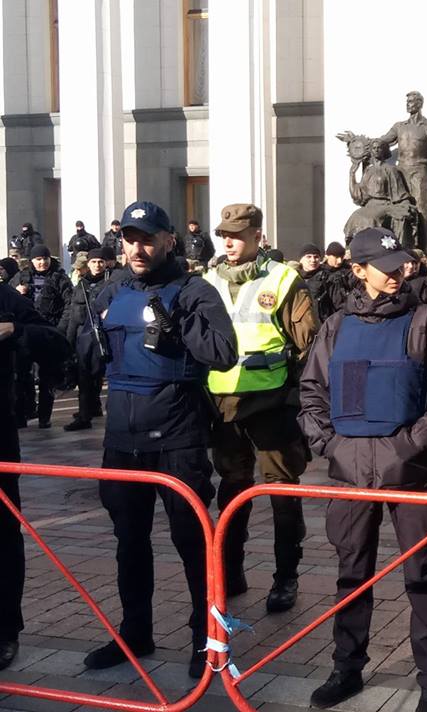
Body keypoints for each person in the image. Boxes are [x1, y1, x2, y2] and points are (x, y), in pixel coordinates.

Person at [298, 226, 427, 712]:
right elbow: (312, 393)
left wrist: (409, 446)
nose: (398, 273)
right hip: (350, 471)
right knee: (351, 573)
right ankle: (346, 667)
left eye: (401, 264)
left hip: (411, 472)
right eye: (386, 266)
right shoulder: (336, 326)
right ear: (358, 270)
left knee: (422, 574)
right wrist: (331, 446)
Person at [78, 201, 237, 679]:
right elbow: (85, 360)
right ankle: (136, 632)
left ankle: (205, 639)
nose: (138, 248)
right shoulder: (112, 290)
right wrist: (85, 336)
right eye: (130, 239)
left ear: (169, 240)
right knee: (129, 541)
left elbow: (224, 353)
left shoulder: (194, 291)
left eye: (147, 239)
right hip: (123, 440)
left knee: (191, 542)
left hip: (177, 439)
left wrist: (179, 325)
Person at [205, 204, 319, 612]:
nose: (229, 242)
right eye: (224, 235)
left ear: (258, 236)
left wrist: (296, 398)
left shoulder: (284, 279)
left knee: (282, 491)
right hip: (224, 404)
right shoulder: (207, 280)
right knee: (232, 490)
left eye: (237, 235)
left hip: (272, 402)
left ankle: (286, 577)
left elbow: (308, 345)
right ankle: (231, 572)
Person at [0, 282, 70, 671]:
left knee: (2, 537)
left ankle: (4, 630)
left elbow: (55, 341)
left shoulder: (4, 297)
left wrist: (15, 330)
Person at [378, 92, 427, 255]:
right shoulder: (399, 126)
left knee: (423, 212)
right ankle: (397, 249)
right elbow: (381, 141)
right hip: (400, 172)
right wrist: (357, 143)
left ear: (419, 104)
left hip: (419, 171)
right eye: (407, 101)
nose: (408, 104)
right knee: (398, 209)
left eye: (411, 101)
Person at [9, 246, 72, 428]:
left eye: (45, 258)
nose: (42, 262)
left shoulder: (59, 278)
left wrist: (60, 330)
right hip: (25, 334)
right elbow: (7, 298)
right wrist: (17, 291)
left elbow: (69, 305)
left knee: (47, 378)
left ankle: (45, 417)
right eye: (38, 259)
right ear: (32, 261)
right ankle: (22, 414)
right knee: (21, 376)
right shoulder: (21, 277)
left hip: (49, 334)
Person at [60, 248, 112, 430]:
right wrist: (68, 339)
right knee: (83, 375)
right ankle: (85, 413)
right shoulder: (81, 284)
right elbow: (73, 314)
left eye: (100, 262)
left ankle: (90, 409)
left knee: (96, 374)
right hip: (82, 334)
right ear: (88, 264)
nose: (97, 265)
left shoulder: (111, 283)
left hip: (102, 334)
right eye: (94, 262)